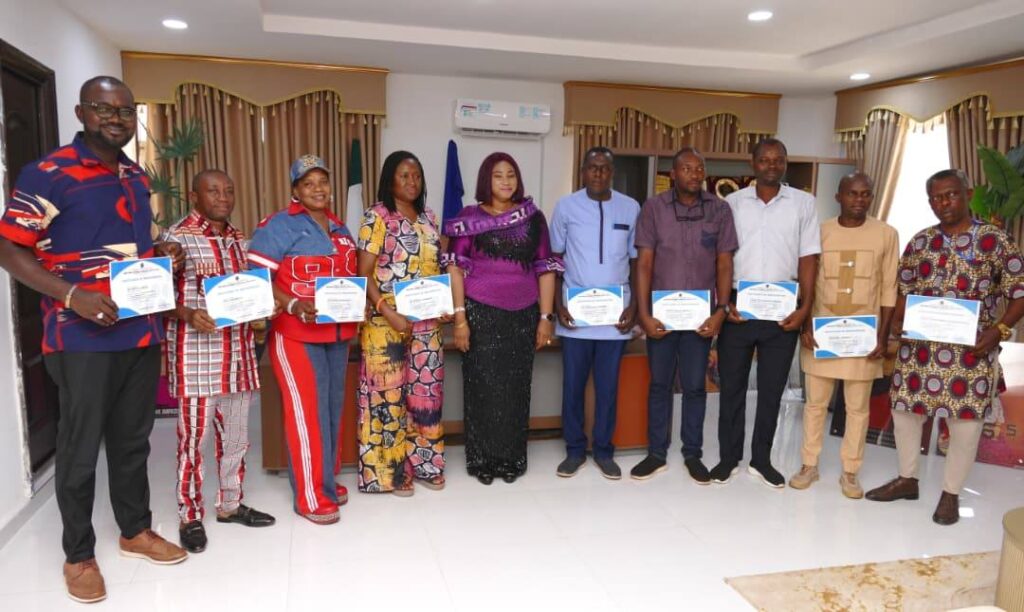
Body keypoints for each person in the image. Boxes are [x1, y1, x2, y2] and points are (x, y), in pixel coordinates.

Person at [0, 76, 187, 604]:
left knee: (133, 442)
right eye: (105, 110)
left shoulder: (134, 175)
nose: (118, 119)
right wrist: (70, 294)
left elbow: (132, 247)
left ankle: (135, 530)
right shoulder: (49, 173)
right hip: (80, 336)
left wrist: (163, 255)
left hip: (140, 329)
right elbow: (10, 249)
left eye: (127, 111)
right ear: (83, 112)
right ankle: (79, 555)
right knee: (79, 452)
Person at [865, 169, 1024, 524]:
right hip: (919, 350)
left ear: (967, 193)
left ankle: (950, 493)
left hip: (972, 351)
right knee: (905, 413)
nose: (944, 203)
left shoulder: (996, 241)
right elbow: (903, 289)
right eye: (936, 198)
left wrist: (998, 331)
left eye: (950, 195)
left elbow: (1019, 293)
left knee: (965, 423)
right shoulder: (921, 242)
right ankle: (907, 479)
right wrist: (894, 329)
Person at [164, 169, 276, 554]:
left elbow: (248, 292)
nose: (223, 197)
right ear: (195, 195)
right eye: (213, 190)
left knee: (237, 439)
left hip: (239, 356)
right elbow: (157, 295)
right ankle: (190, 514)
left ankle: (229, 505)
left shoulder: (239, 240)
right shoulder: (176, 238)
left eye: (229, 190)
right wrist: (187, 314)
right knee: (193, 443)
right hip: (197, 359)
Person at [248, 154, 358, 525]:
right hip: (296, 334)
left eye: (322, 182)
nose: (317, 189)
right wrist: (293, 304)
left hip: (338, 334)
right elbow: (258, 279)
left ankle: (323, 480)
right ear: (295, 190)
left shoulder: (341, 229)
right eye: (308, 183)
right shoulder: (278, 226)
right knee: (306, 414)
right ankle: (311, 495)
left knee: (331, 411)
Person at [445, 152, 562, 485]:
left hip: (523, 315)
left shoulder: (533, 218)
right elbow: (455, 267)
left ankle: (511, 457)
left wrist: (545, 317)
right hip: (480, 313)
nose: (506, 181)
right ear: (487, 179)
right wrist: (460, 319)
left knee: (515, 387)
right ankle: (482, 459)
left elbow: (546, 269)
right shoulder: (469, 218)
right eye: (498, 175)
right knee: (481, 387)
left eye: (511, 174)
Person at [715, 138, 821, 488]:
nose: (772, 165)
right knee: (731, 387)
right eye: (765, 160)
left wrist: (805, 307)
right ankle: (729, 458)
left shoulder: (804, 204)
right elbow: (724, 257)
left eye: (778, 160)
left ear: (785, 163)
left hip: (783, 310)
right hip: (738, 309)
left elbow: (808, 258)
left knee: (772, 389)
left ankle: (761, 459)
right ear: (753, 163)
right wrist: (723, 301)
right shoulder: (732, 203)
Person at [631, 147, 738, 482]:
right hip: (660, 318)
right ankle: (656, 453)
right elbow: (644, 263)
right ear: (673, 174)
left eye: (699, 168)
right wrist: (644, 314)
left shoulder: (720, 210)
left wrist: (721, 310)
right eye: (687, 168)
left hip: (700, 320)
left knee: (694, 386)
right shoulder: (653, 208)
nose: (694, 174)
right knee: (659, 384)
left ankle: (693, 453)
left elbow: (724, 262)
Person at [790, 172, 899, 498]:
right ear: (839, 196)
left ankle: (850, 472)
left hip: (862, 341)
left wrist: (883, 335)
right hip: (823, 336)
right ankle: (809, 465)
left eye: (866, 194)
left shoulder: (886, 234)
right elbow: (806, 283)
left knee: (857, 409)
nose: (859, 200)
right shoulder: (819, 232)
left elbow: (889, 288)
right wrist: (806, 324)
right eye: (853, 194)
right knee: (815, 407)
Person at [356, 151, 446, 495]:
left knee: (426, 394)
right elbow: (362, 274)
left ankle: (426, 463)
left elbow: (436, 268)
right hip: (385, 321)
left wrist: (445, 304)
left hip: (427, 322)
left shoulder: (429, 218)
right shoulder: (377, 217)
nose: (411, 182)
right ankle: (389, 473)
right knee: (387, 396)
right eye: (404, 175)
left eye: (417, 176)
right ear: (390, 179)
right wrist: (387, 309)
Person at [550, 147, 640, 480]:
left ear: (611, 172)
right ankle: (574, 451)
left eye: (604, 169)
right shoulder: (566, 207)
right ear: (583, 171)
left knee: (608, 388)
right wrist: (558, 305)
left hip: (615, 318)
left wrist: (634, 306)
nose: (598, 174)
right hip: (575, 316)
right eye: (592, 168)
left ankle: (603, 451)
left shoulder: (630, 207)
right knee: (572, 387)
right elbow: (554, 260)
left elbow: (636, 261)